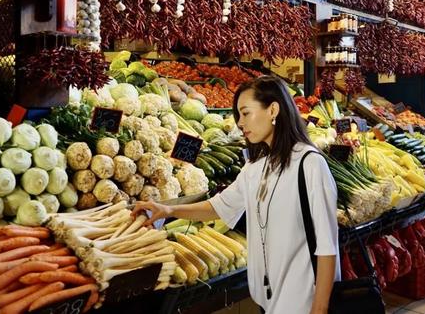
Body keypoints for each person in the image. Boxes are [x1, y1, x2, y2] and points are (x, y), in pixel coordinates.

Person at [133, 75, 340, 314]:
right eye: (238, 115)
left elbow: (327, 246)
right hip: (270, 300)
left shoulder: (310, 164)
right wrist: (168, 209)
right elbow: (218, 206)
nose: (240, 123)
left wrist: (320, 308)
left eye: (246, 113)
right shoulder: (256, 167)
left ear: (273, 109)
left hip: (304, 300)